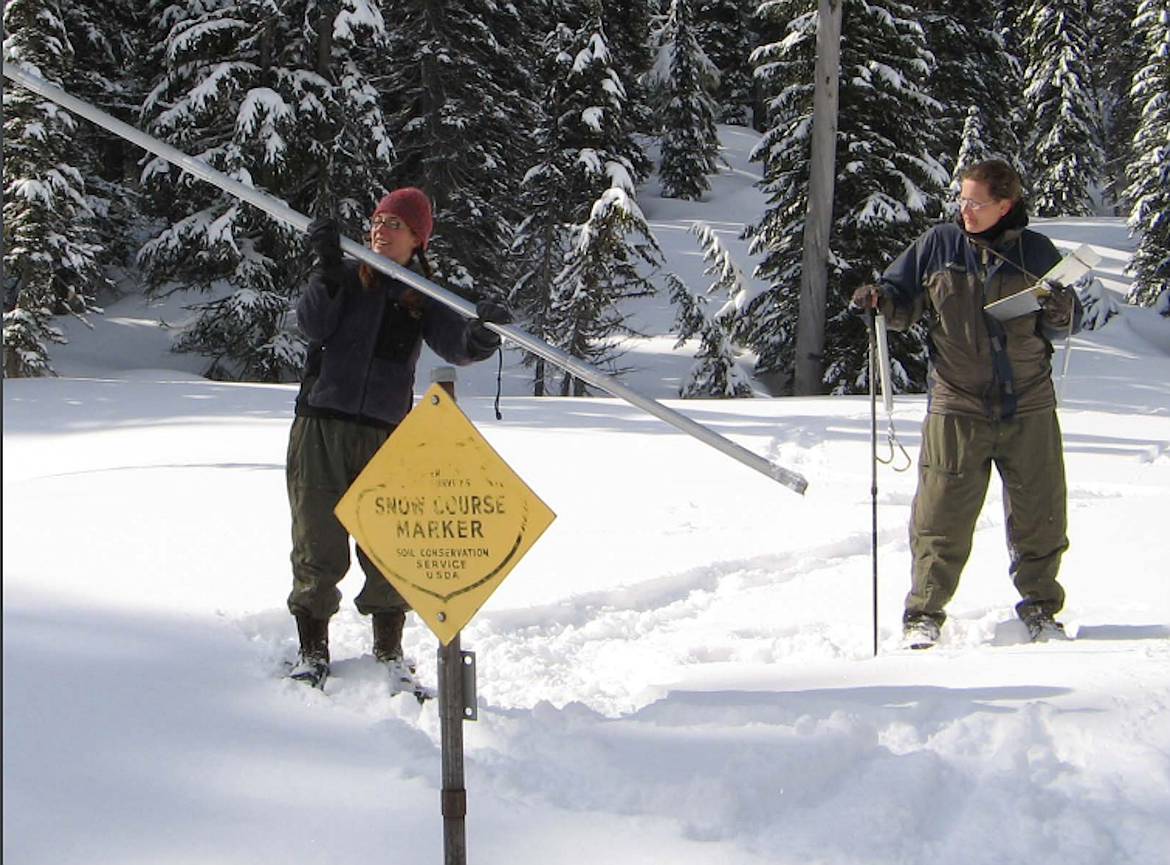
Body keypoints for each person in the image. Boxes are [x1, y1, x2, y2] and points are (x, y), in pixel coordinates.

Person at [852, 159, 1083, 649]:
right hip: (957, 403)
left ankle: (1041, 611)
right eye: (962, 200)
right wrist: (879, 300)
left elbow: (1062, 320)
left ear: (1005, 204)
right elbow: (900, 297)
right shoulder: (939, 244)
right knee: (940, 517)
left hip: (1029, 404)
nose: (966, 210)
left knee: (1041, 515)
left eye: (976, 202)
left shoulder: (1036, 250)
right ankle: (924, 614)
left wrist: (1063, 311)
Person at [286, 187, 511, 689]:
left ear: (417, 239)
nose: (379, 229)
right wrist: (324, 267)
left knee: (387, 545)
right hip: (321, 424)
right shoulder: (345, 276)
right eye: (377, 220)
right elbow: (312, 324)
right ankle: (312, 651)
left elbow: (456, 342)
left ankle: (388, 652)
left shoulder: (421, 294)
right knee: (317, 541)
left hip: (385, 435)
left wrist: (483, 333)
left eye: (393, 223)